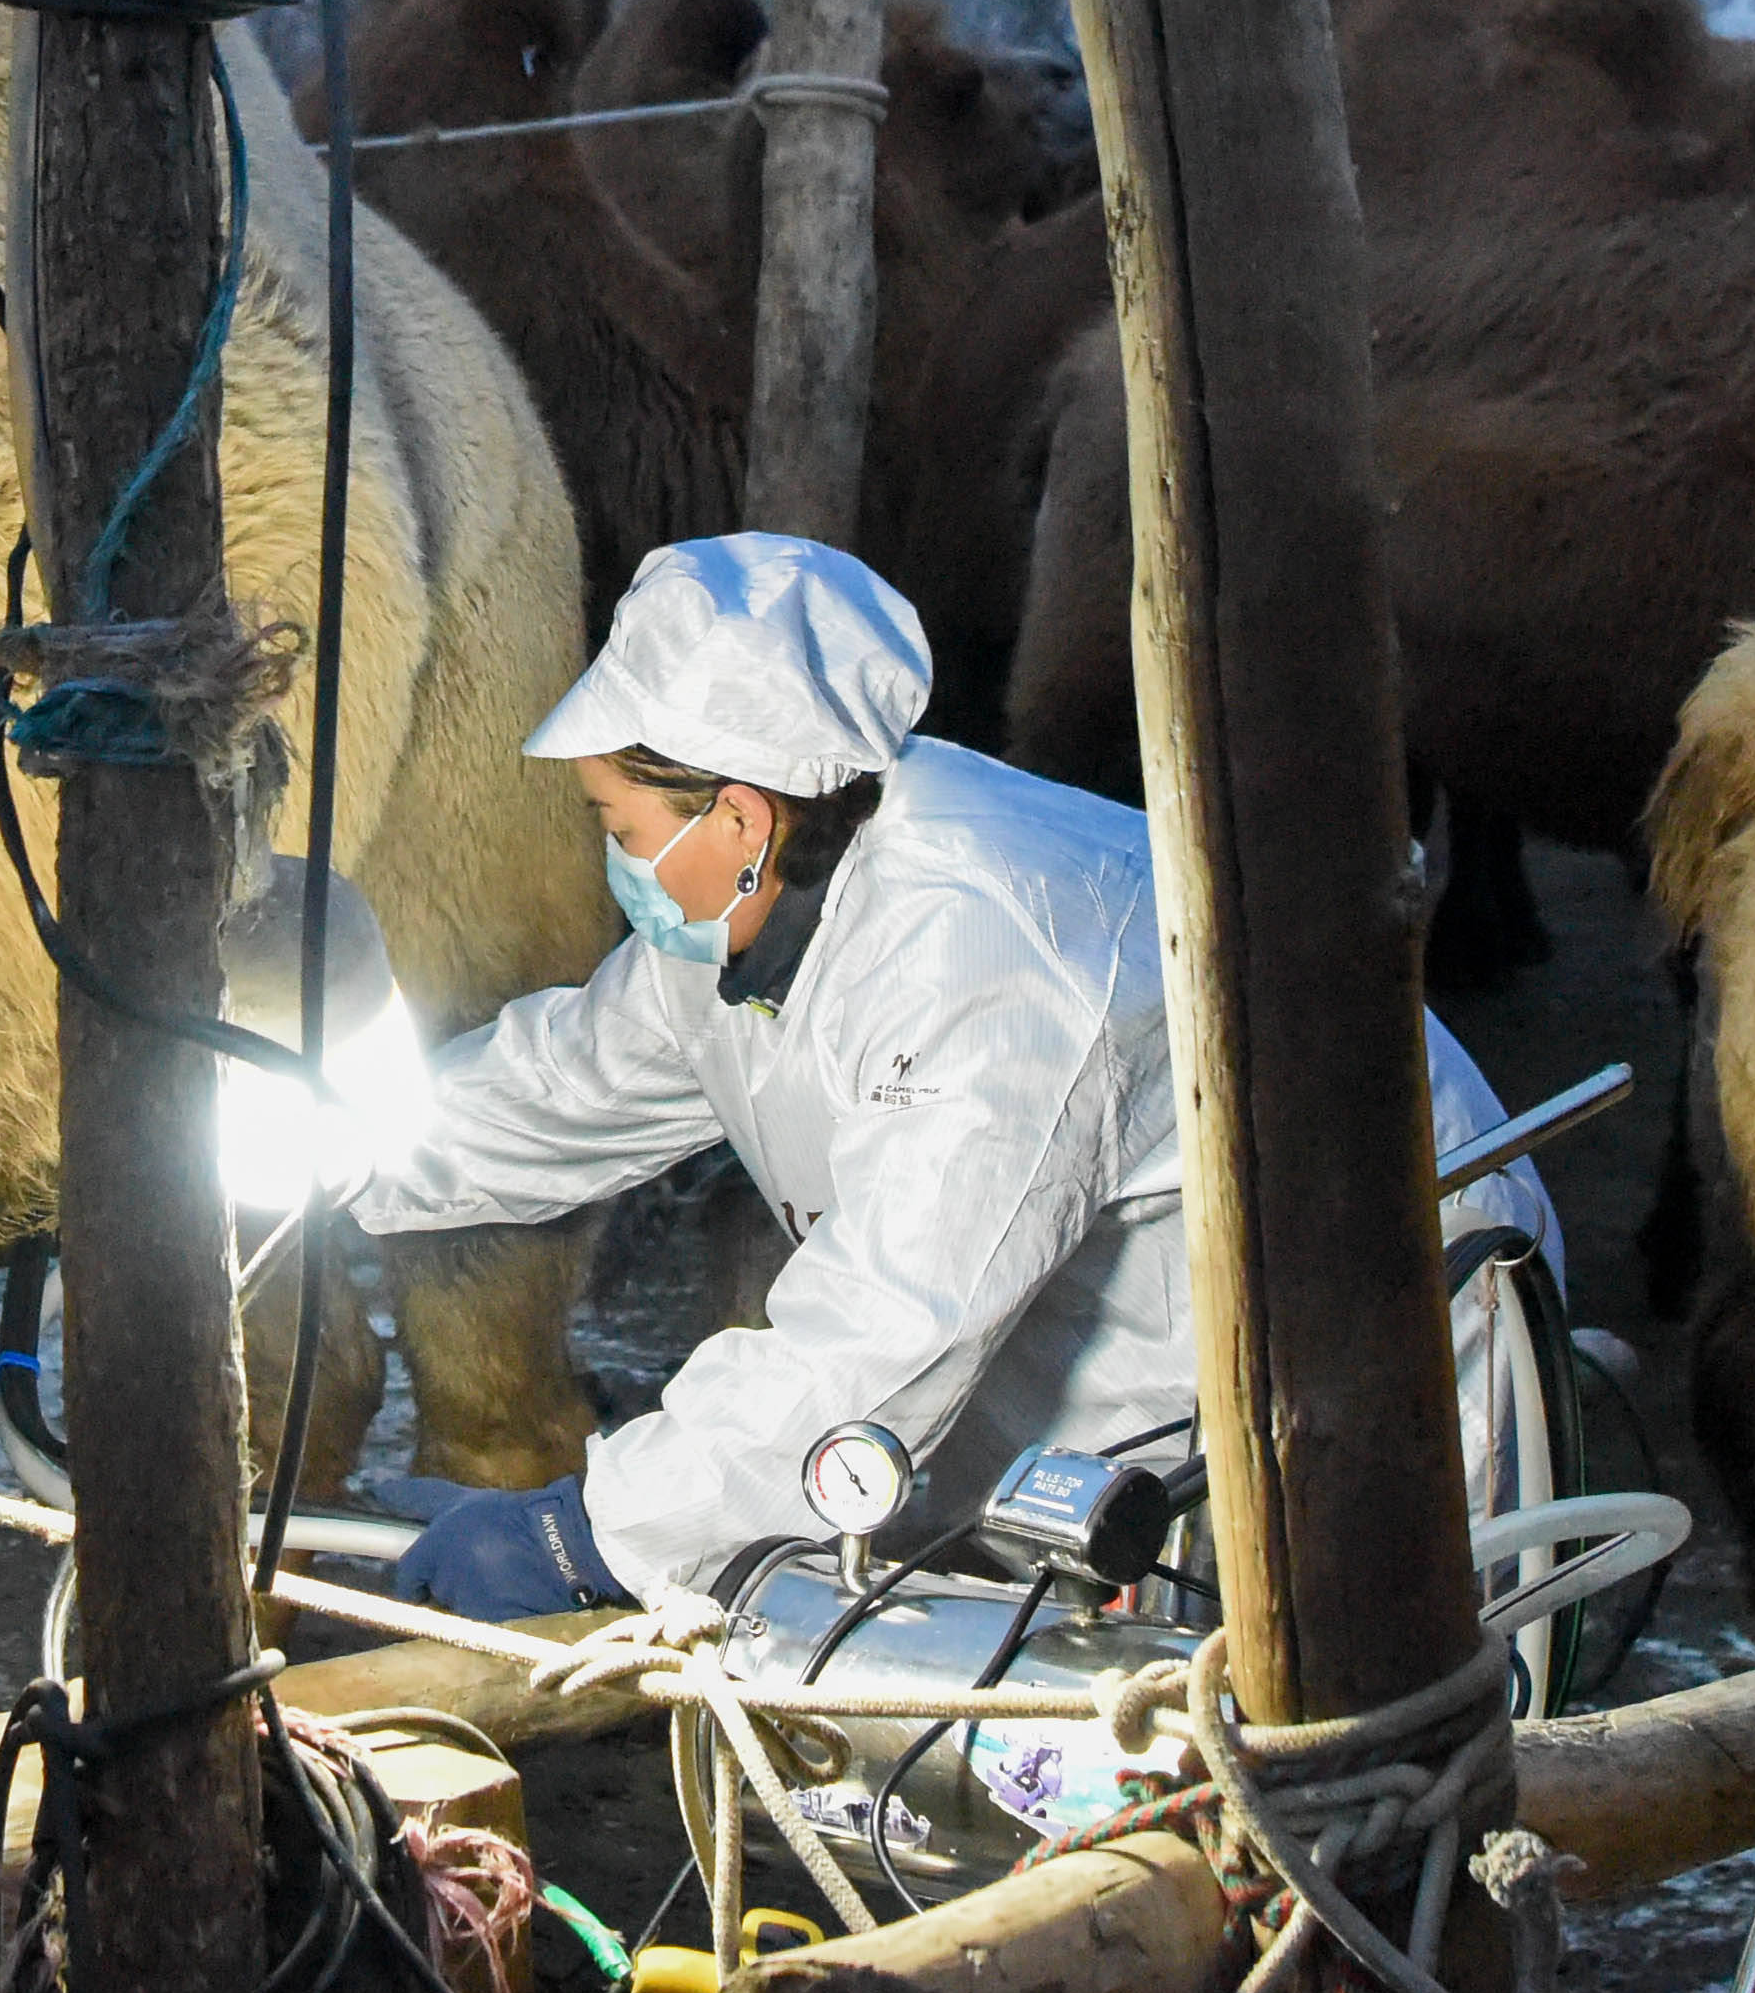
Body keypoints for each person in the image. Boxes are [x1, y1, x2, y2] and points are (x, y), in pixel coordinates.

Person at [300, 529, 1566, 1618]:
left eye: (617, 829)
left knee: (1329, 1804)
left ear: (735, 819)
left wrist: (586, 1532)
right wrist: (301, 1145)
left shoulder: (984, 957)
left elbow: (876, 1332)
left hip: (1369, 1370)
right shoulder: (756, 911)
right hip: (1129, 1368)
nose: (613, 863)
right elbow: (559, 1085)